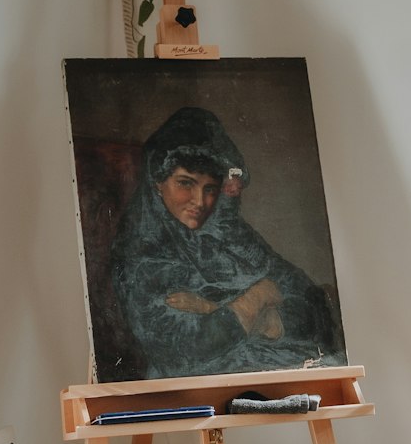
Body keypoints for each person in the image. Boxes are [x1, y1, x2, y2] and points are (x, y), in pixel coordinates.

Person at [110, 106, 345, 379]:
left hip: (285, 372)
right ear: (157, 183)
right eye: (185, 183)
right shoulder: (143, 254)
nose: (200, 201)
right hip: (200, 386)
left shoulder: (233, 237)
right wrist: (259, 296)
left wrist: (221, 311)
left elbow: (313, 307)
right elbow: (186, 351)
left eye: (210, 189)